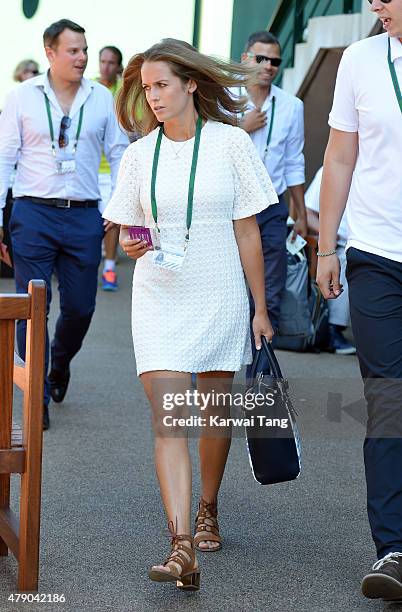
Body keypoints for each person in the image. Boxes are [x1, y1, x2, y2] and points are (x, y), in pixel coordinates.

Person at [103, 38, 277, 591]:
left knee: (213, 410)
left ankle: (207, 505)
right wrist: (133, 242)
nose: (152, 96)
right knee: (169, 420)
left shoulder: (229, 144)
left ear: (190, 86)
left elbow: (249, 230)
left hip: (220, 288)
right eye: (147, 87)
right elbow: (129, 224)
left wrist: (261, 308)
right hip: (158, 292)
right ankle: (181, 545)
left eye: (162, 85)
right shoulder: (137, 154)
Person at [0, 19, 128, 430]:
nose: (83, 57)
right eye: (73, 50)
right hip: (32, 213)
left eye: (85, 50)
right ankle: (37, 397)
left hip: (83, 215)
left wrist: (118, 206)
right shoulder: (22, 96)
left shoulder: (102, 97)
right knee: (33, 307)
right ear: (50, 52)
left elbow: (120, 152)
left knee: (80, 308)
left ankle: (59, 363)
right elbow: (4, 160)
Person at [317, 0, 402, 601]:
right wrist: (326, 247)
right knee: (390, 398)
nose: (375, 2)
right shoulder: (361, 59)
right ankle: (393, 548)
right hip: (376, 253)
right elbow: (340, 155)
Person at [239, 31, 307, 360]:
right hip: (231, 207)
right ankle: (208, 376)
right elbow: (204, 146)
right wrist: (242, 127)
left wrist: (302, 214)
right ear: (245, 59)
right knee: (225, 291)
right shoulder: (223, 97)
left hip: (273, 207)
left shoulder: (292, 106)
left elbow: (294, 161)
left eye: (274, 61)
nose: (268, 66)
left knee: (270, 294)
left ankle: (261, 381)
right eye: (260, 58)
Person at [305, 166, 356, 354]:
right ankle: (333, 331)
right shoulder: (330, 169)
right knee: (344, 259)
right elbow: (306, 213)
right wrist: (328, 237)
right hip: (339, 243)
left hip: (370, 242)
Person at [96, 45, 124, 291]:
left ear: (118, 66)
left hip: (114, 168)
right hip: (90, 169)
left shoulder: (125, 92)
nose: (106, 67)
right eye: (102, 61)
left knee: (111, 219)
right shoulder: (90, 89)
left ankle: (109, 269)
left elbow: (135, 124)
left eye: (111, 62)